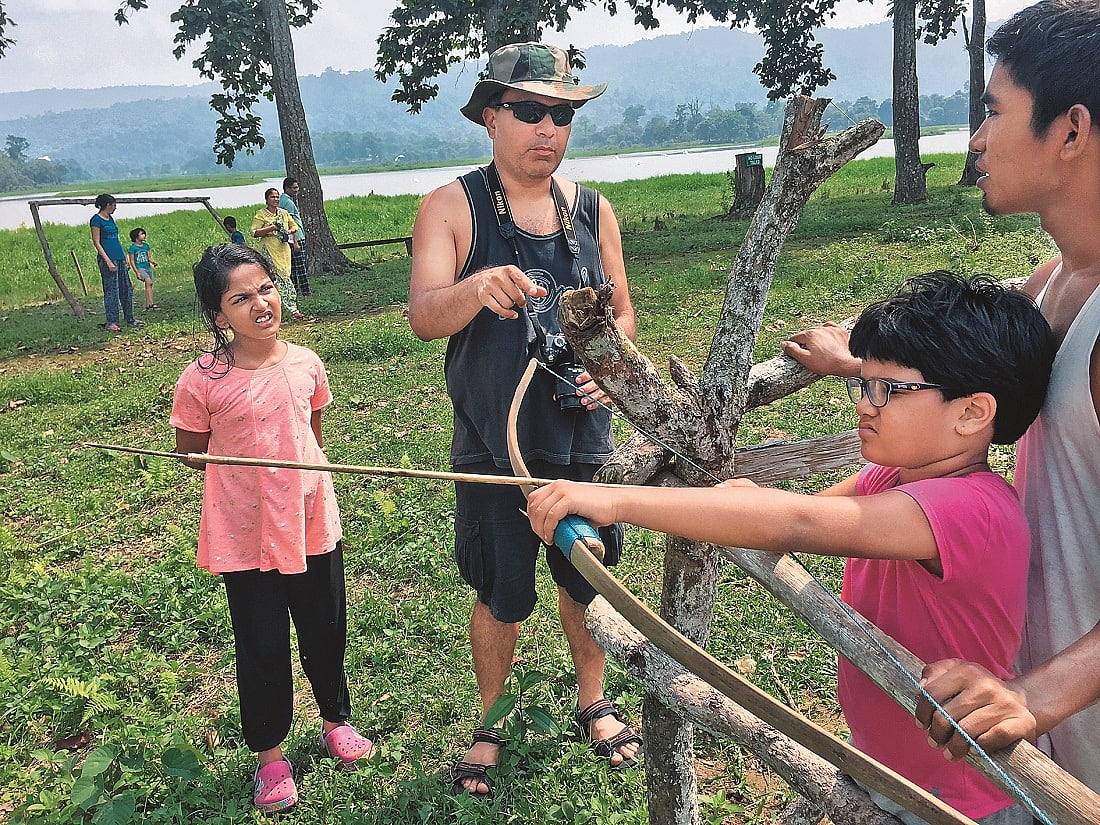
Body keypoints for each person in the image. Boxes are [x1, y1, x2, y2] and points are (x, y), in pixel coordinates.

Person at [527, 271, 1056, 825]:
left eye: (886, 389)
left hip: (958, 799)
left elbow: (796, 522)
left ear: (971, 413)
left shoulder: (971, 509)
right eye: (863, 383)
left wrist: (613, 501)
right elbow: (795, 511)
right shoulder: (896, 478)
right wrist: (748, 503)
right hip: (893, 765)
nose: (866, 405)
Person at [780, 0, 1100, 793]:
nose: (977, 139)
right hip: (1041, 704)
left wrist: (1039, 694)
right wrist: (860, 361)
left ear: (1071, 130)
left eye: (994, 112)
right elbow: (959, 361)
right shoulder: (1052, 287)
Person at [408, 41, 640, 799]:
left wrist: (611, 371)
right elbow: (424, 316)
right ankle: (491, 721)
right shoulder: (451, 206)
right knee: (502, 590)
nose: (548, 127)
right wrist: (476, 288)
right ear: (490, 116)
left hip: (581, 436)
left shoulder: (592, 209)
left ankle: (593, 701)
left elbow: (622, 315)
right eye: (530, 110)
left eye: (562, 114)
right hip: (494, 443)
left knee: (586, 579)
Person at [170, 244, 375, 813]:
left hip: (311, 521)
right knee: (261, 644)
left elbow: (311, 431)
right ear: (218, 315)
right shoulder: (202, 380)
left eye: (266, 289)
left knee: (325, 628)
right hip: (247, 533)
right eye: (241, 298)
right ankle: (270, 757)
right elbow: (191, 451)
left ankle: (336, 720)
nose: (260, 304)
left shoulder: (306, 363)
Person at [89, 194, 141, 332]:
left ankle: (130, 317)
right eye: (113, 205)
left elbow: (116, 240)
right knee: (111, 290)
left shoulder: (110, 219)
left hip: (119, 257)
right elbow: (97, 242)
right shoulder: (96, 220)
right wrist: (108, 261)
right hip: (108, 259)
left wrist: (125, 258)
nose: (115, 208)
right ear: (107, 205)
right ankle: (112, 321)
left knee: (126, 288)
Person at [251, 188, 303, 320]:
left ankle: (286, 305)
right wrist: (272, 228)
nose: (276, 199)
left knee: (286, 275)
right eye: (273, 197)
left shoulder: (283, 213)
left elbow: (294, 226)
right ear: (267, 199)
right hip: (269, 247)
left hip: (283, 248)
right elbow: (254, 232)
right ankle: (289, 308)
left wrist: (289, 231)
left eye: (277, 197)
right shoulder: (261, 214)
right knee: (277, 277)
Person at [280, 177, 311, 296]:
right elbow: (289, 223)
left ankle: (294, 290)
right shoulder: (288, 202)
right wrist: (295, 241)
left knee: (292, 266)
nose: (297, 190)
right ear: (287, 188)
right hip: (296, 237)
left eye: (297, 187)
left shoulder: (283, 200)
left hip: (291, 238)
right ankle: (305, 291)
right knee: (301, 265)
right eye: (294, 188)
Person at [127, 227, 159, 311]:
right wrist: (136, 272)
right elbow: (132, 261)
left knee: (150, 284)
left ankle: (148, 304)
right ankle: (151, 304)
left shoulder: (146, 246)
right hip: (140, 268)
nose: (144, 235)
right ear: (136, 236)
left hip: (147, 267)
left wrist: (153, 262)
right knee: (148, 282)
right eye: (141, 234)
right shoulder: (133, 248)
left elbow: (149, 257)